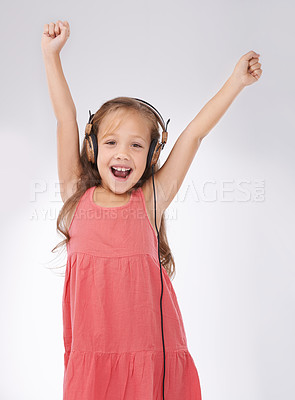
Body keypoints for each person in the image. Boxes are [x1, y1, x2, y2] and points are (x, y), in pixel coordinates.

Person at [41, 20, 262, 400]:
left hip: (150, 353)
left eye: (136, 145)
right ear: (92, 148)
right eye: (111, 142)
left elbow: (193, 133)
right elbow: (66, 118)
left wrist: (236, 83)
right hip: (94, 355)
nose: (123, 153)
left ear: (152, 155)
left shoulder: (151, 199)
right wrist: (51, 56)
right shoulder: (76, 195)